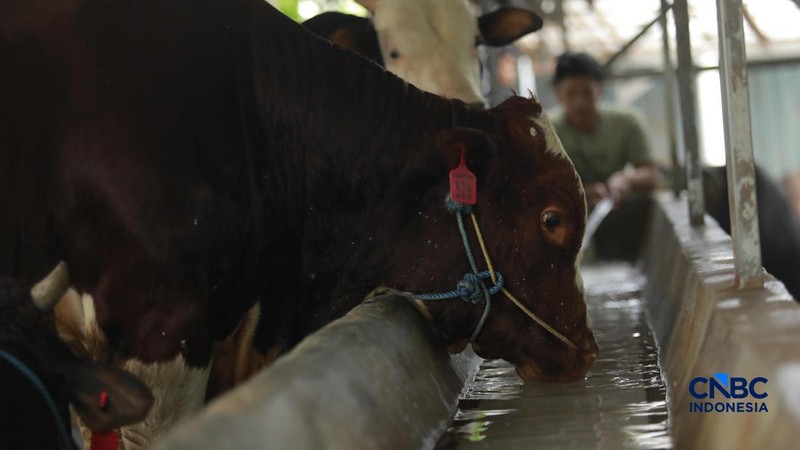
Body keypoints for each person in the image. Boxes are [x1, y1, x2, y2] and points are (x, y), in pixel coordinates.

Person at [550, 52, 659, 209]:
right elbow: (536, 184)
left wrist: (627, 179)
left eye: (587, 92)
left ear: (600, 90)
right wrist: (581, 193)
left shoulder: (627, 122)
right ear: (558, 94)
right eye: (571, 93)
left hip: (618, 209)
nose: (580, 102)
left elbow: (650, 173)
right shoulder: (546, 130)